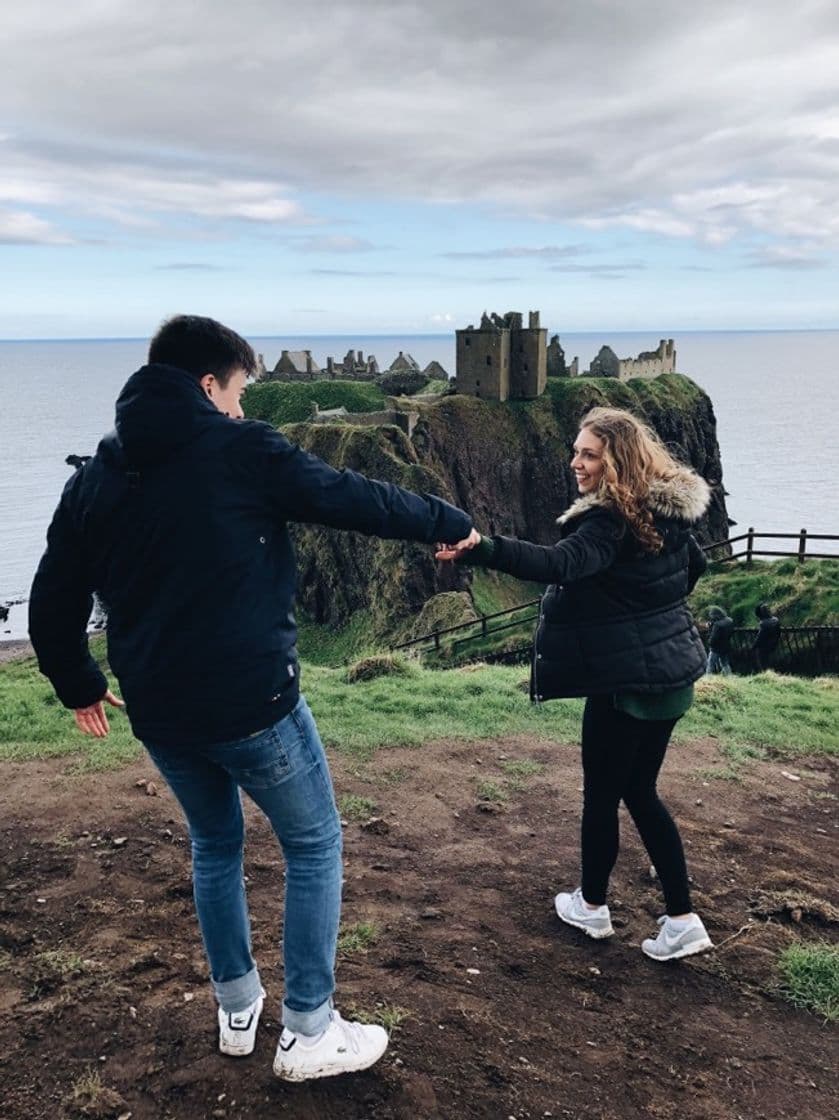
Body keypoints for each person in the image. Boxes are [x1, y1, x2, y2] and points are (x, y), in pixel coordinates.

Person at [29, 314, 473, 1081]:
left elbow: (51, 595)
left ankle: (238, 1008)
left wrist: (78, 681)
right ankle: (308, 1028)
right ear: (209, 385)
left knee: (215, 844)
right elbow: (348, 496)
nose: (242, 407)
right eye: (238, 391)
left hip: (161, 711)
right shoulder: (240, 448)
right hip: (251, 704)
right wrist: (448, 520)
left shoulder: (96, 474)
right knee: (312, 843)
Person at [437, 407, 713, 962]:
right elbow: (695, 569)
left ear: (616, 461)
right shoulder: (668, 512)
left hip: (625, 685)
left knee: (603, 795)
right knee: (640, 791)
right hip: (672, 675)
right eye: (576, 450)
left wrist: (482, 547)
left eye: (589, 453)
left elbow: (558, 564)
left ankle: (592, 907)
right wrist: (640, 608)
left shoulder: (609, 522)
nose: (576, 462)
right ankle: (681, 918)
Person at [706, 605, 734, 675]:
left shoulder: (717, 625)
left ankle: (707, 679)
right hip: (726, 646)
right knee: (725, 664)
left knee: (710, 664)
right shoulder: (729, 620)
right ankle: (730, 677)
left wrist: (709, 642)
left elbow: (713, 638)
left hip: (716, 648)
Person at [752, 602, 781, 671]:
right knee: (771, 662)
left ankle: (766, 674)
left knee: (763, 663)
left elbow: (760, 637)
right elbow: (778, 632)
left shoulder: (764, 623)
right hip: (774, 644)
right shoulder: (776, 620)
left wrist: (754, 646)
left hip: (764, 647)